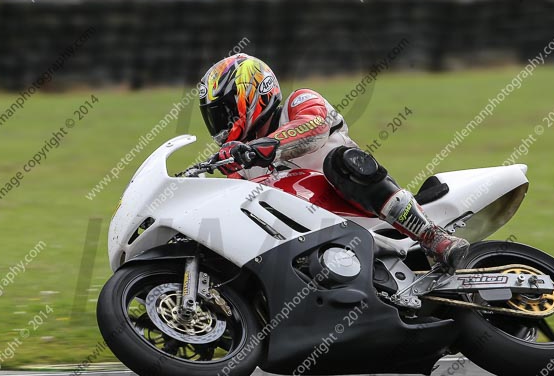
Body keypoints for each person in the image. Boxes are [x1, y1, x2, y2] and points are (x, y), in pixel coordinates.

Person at [198, 53, 469, 269]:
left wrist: (258, 148)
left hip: (365, 211)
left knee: (342, 162)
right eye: (214, 118)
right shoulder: (239, 166)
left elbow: (313, 128)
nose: (221, 126)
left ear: (254, 95)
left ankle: (432, 235)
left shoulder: (299, 101)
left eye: (225, 113)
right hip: (309, 234)